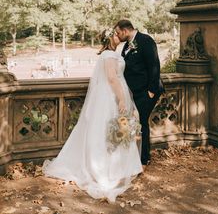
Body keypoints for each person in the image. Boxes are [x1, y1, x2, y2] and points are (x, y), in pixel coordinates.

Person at [42, 29, 142, 203]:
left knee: (117, 129)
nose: (119, 36)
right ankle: (109, 169)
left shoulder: (110, 54)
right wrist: (121, 100)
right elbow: (111, 78)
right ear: (111, 38)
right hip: (110, 97)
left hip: (114, 94)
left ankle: (120, 166)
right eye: (117, 34)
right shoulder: (109, 55)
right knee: (109, 130)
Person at [114, 19, 162, 170]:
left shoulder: (146, 41)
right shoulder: (127, 45)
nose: (117, 35)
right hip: (133, 92)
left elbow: (154, 65)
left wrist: (151, 91)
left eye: (118, 32)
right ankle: (133, 156)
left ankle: (144, 159)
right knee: (132, 123)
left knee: (142, 123)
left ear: (126, 30)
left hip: (146, 91)